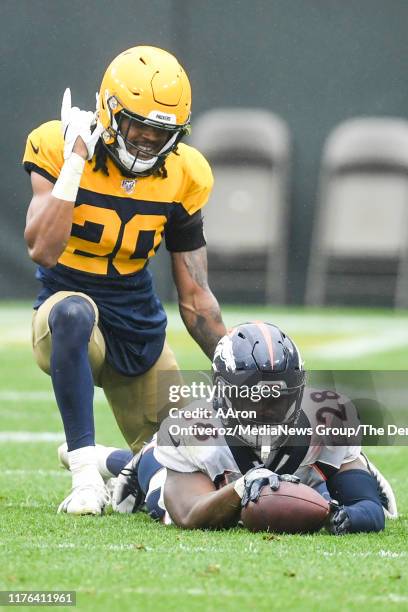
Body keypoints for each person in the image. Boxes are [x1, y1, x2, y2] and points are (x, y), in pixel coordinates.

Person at [23, 46, 226, 515]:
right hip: (64, 315)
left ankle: (110, 462)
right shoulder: (58, 144)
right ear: (110, 113)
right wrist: (74, 163)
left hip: (137, 326)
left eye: (162, 134)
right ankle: (84, 473)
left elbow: (195, 299)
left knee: (195, 467)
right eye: (139, 127)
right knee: (73, 312)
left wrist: (246, 369)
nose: (147, 144)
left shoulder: (185, 173)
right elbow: (42, 248)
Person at [58, 322, 397, 533]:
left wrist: (340, 515)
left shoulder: (328, 417)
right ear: (222, 392)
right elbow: (188, 514)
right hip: (201, 477)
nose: (266, 407)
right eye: (252, 397)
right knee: (160, 498)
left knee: (313, 493)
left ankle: (341, 471)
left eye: (278, 395)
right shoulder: (193, 428)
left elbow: (369, 510)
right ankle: (121, 462)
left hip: (287, 468)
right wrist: (241, 489)